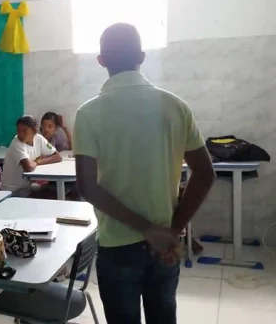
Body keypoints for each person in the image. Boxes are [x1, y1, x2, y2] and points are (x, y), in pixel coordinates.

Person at [73, 23, 216, 324]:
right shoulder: (176, 107)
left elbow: (87, 187)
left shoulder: (89, 113)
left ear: (101, 61)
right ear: (141, 56)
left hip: (118, 245)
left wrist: (145, 229)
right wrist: (171, 231)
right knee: (164, 314)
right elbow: (205, 173)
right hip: (165, 243)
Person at [0, 115, 62, 196]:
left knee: (51, 191)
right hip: (13, 190)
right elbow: (28, 167)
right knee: (47, 196)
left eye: (24, 130)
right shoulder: (17, 144)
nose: (20, 134)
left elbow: (58, 157)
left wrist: (37, 162)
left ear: (34, 131)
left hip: (27, 186)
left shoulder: (39, 139)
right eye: (18, 130)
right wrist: (37, 162)